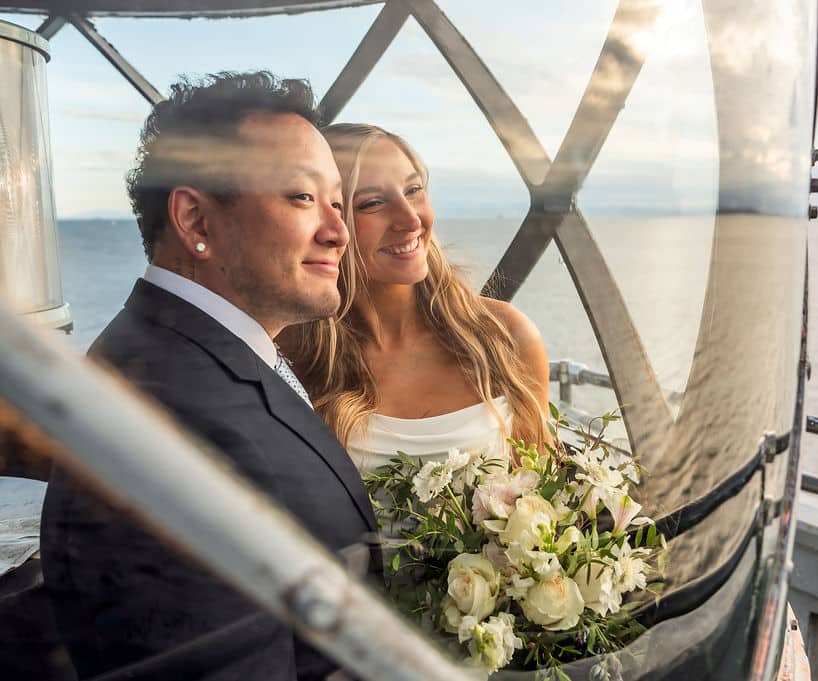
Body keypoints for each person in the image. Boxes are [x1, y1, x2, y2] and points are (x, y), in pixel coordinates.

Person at [41, 72, 375, 681]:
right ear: (195, 220)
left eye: (337, 201)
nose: (339, 231)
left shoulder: (213, 360)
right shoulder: (164, 420)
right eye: (302, 197)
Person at [279, 124, 550, 473]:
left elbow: (539, 490)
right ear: (329, 220)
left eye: (413, 190)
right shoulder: (290, 356)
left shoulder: (505, 337)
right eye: (372, 203)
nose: (410, 220)